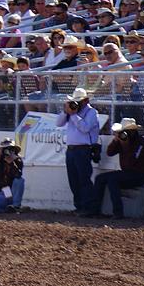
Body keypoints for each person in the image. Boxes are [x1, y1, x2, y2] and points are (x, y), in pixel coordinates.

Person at [93, 118, 144, 218]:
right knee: (99, 178)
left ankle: (118, 212)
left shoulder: (141, 143)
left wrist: (125, 145)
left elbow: (132, 161)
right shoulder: (122, 141)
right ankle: (95, 210)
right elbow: (109, 152)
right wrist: (116, 140)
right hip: (126, 173)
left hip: (139, 175)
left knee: (113, 179)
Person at [56, 87, 101, 217]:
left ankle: (90, 208)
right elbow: (58, 123)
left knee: (84, 179)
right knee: (74, 180)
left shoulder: (92, 112)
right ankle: (80, 206)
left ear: (86, 101)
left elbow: (85, 128)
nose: (77, 104)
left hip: (83, 149)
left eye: (79, 101)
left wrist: (74, 115)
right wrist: (66, 112)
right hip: (71, 150)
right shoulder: (72, 113)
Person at [0, 138, 25, 214]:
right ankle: (7, 210)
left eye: (10, 149)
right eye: (5, 149)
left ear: (14, 150)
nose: (7, 151)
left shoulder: (17, 160)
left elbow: (18, 175)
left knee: (20, 180)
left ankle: (16, 206)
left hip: (12, 192)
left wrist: (11, 163)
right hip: (1, 192)